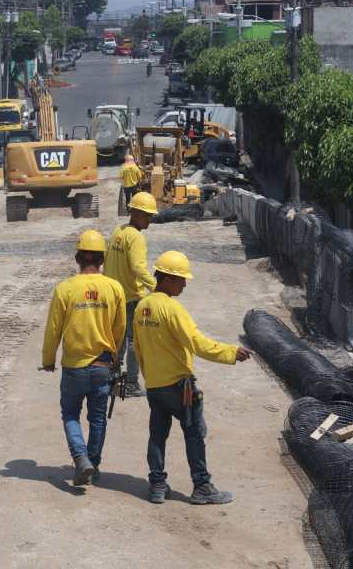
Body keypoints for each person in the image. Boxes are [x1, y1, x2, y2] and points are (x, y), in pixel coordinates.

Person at [133, 251, 253, 504]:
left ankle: (157, 485)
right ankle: (202, 486)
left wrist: (149, 378)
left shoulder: (142, 307)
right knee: (194, 433)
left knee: (157, 435)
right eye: (181, 280)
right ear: (166, 279)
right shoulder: (172, 308)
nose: (185, 284)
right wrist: (231, 353)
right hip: (179, 387)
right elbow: (197, 343)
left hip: (155, 385)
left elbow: (139, 349)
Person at [42, 230, 127, 487]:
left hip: (74, 367)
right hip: (102, 364)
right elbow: (120, 328)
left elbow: (53, 329)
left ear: (78, 257)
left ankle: (81, 458)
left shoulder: (65, 289)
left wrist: (48, 359)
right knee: (98, 417)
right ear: (102, 259)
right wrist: (113, 354)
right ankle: (94, 463)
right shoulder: (114, 288)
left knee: (70, 414)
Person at [104, 191, 158, 398]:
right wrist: (156, 287)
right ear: (134, 213)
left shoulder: (119, 231)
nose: (149, 220)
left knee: (117, 340)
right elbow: (138, 267)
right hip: (131, 298)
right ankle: (132, 384)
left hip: (115, 296)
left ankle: (112, 380)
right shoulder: (136, 237)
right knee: (136, 342)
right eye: (146, 215)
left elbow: (108, 261)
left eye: (151, 216)